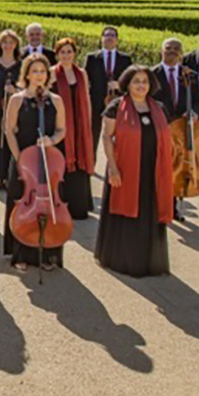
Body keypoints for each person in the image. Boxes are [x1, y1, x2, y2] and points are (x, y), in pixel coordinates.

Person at [95, 65, 173, 277]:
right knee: (127, 214)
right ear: (127, 84)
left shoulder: (159, 108)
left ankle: (148, 260)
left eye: (145, 81)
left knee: (149, 213)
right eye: (136, 81)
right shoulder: (115, 107)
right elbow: (106, 137)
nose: (141, 85)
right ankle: (124, 260)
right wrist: (112, 167)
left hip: (153, 171)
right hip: (125, 169)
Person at [3, 53, 67, 271]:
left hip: (47, 162)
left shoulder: (56, 100)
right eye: (35, 71)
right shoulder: (17, 99)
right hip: (24, 163)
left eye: (42, 71)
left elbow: (61, 130)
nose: (39, 75)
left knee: (49, 206)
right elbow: (9, 131)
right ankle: (20, 253)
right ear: (27, 74)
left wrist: (52, 140)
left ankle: (48, 253)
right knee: (21, 205)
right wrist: (19, 158)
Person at [152, 37, 199, 223]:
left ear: (181, 52)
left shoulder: (190, 75)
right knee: (159, 167)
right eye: (168, 48)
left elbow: (198, 100)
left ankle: (173, 207)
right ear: (161, 51)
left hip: (181, 129)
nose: (172, 51)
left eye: (176, 49)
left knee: (177, 169)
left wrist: (195, 112)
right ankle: (157, 205)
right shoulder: (151, 73)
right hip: (160, 127)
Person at [50, 38, 95, 220]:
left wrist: (88, 123)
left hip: (79, 125)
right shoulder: (52, 73)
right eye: (63, 52)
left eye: (69, 52)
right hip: (60, 125)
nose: (66, 55)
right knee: (62, 164)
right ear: (57, 54)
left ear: (74, 53)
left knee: (79, 165)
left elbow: (87, 99)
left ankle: (78, 206)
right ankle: (60, 204)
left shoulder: (81, 73)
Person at [84, 26, 132, 156]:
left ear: (117, 40)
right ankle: (90, 164)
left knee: (118, 135)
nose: (109, 38)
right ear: (101, 39)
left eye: (112, 36)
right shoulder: (92, 58)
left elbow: (130, 81)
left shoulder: (125, 59)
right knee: (93, 134)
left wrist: (120, 86)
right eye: (106, 35)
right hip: (96, 101)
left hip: (117, 102)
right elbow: (85, 79)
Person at [0, 29, 21, 190]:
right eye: (5, 42)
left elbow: (28, 87)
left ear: (16, 45)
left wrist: (16, 90)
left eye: (11, 42)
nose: (8, 46)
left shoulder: (21, 66)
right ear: (0, 44)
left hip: (16, 110)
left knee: (12, 141)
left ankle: (12, 176)